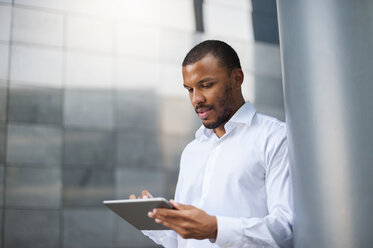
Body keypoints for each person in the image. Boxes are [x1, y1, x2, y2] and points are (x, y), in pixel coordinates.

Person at [130, 40, 293, 248]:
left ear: (237, 79)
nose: (196, 99)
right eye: (189, 89)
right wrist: (159, 220)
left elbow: (287, 230)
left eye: (205, 85)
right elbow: (182, 241)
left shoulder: (275, 138)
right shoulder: (192, 151)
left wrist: (215, 228)